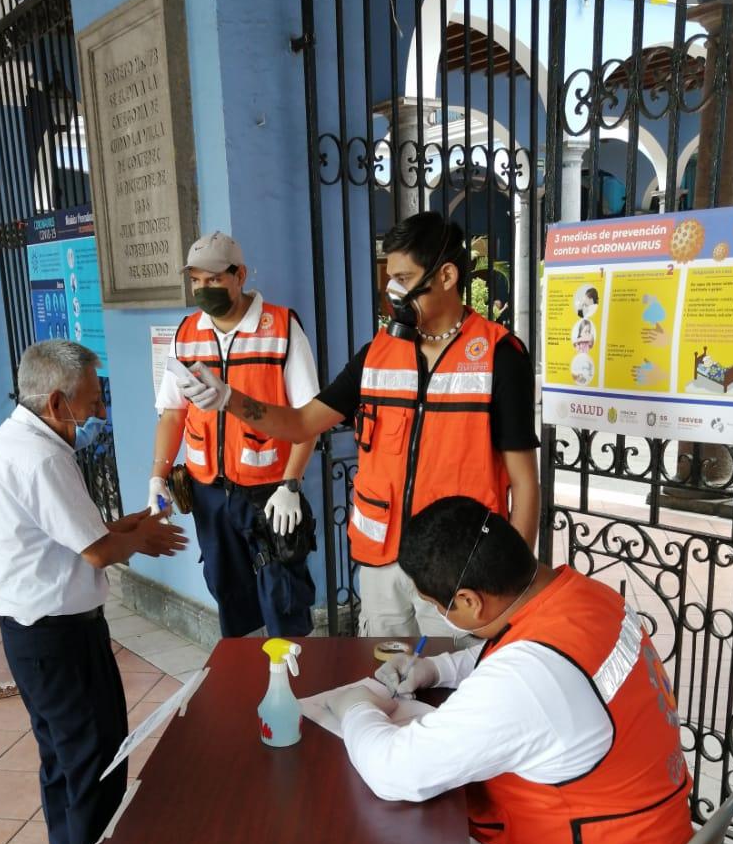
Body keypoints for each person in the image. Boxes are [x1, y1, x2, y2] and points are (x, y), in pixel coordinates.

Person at [321, 496, 693, 844]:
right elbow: (508, 655)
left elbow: (394, 771)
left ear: (469, 600)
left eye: (436, 606)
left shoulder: (532, 679)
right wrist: (433, 670)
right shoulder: (581, 598)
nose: (439, 616)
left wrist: (353, 708)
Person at [175, 213, 539, 637]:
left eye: (404, 278)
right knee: (385, 681)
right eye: (390, 277)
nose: (393, 291)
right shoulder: (377, 354)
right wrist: (229, 399)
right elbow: (301, 423)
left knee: (452, 690)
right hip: (382, 561)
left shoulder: (500, 355)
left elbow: (525, 483)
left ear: (446, 275)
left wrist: (514, 579)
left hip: (460, 567)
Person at [0, 340, 187, 844]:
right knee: (95, 766)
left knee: (63, 765)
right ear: (58, 400)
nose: (97, 417)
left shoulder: (14, 445)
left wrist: (131, 528)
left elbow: (71, 535)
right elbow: (94, 551)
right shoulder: (40, 460)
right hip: (58, 639)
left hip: (34, 635)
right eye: (92, 405)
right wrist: (140, 540)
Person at [151, 231, 319, 638]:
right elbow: (173, 412)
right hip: (208, 492)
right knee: (230, 594)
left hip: (270, 493)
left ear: (239, 275)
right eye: (196, 281)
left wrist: (291, 483)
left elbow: (308, 418)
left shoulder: (280, 327)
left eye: (213, 279)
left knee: (283, 597)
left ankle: (296, 687)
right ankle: (249, 682)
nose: (203, 289)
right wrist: (158, 474)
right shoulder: (186, 334)